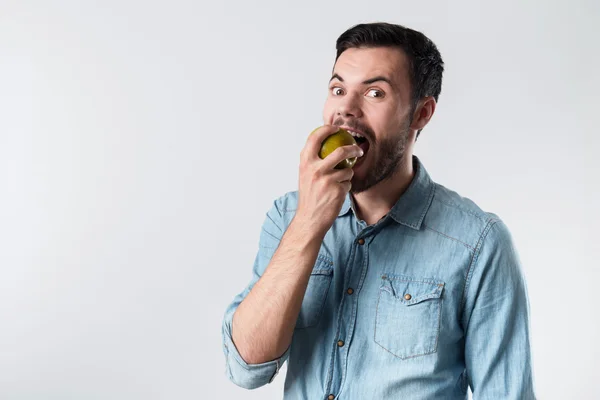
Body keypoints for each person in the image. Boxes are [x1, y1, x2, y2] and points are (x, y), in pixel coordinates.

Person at [221, 22, 536, 399]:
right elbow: (246, 367)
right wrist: (308, 223)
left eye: (374, 93)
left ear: (421, 113)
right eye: (338, 89)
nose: (346, 110)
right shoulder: (289, 216)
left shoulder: (478, 243)